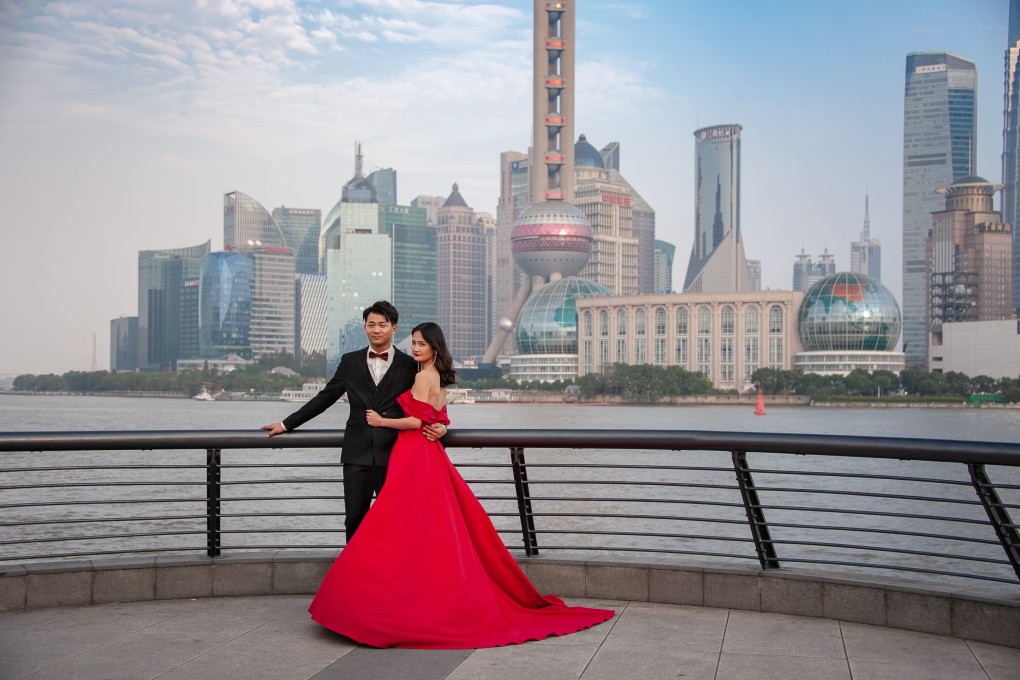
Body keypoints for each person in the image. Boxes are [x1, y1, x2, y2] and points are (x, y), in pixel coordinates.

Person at [307, 321, 614, 649]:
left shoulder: (425, 376)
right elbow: (437, 417)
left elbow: (416, 420)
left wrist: (383, 421)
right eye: (413, 343)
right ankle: (409, 598)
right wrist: (439, 427)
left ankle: (380, 605)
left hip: (413, 453)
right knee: (419, 528)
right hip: (426, 453)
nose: (415, 349)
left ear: (434, 348)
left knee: (392, 525)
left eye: (421, 344)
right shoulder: (436, 377)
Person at [261, 301, 446, 541]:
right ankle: (355, 577)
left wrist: (441, 426)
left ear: (394, 328)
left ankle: (391, 575)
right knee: (354, 520)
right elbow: (325, 398)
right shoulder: (349, 362)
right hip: (356, 454)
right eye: (371, 325)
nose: (376, 329)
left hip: (395, 455)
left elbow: (431, 402)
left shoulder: (411, 365)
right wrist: (286, 424)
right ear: (365, 328)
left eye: (382, 324)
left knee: (398, 520)